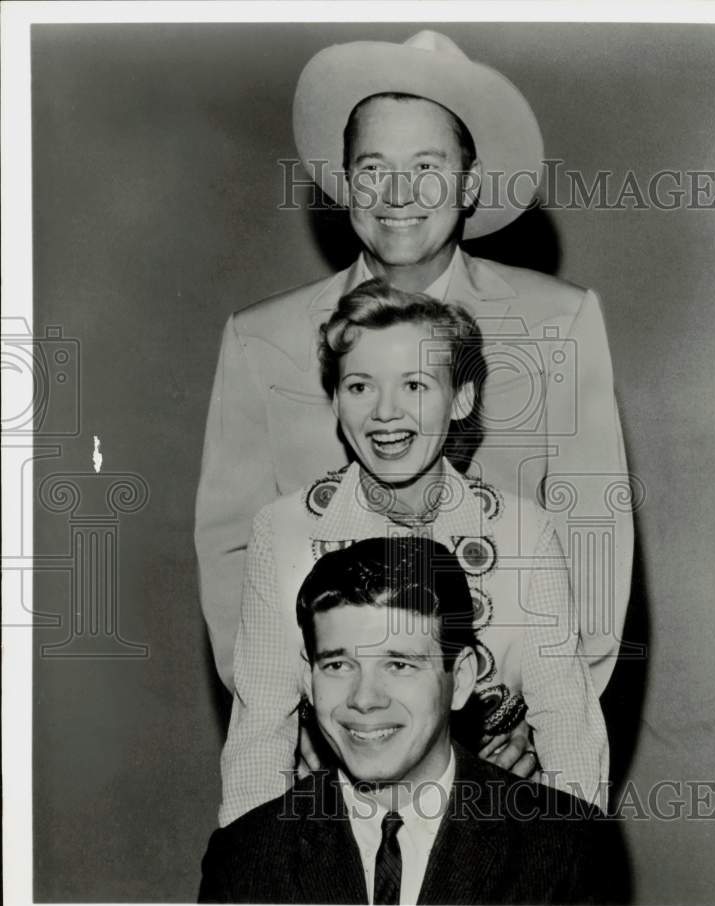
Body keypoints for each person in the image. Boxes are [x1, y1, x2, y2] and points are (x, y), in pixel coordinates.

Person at [195, 30, 633, 700]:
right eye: (372, 169)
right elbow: (233, 554)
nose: (397, 193)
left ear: (469, 183)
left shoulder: (558, 324)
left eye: (427, 166)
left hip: (502, 732)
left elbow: (593, 530)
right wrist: (293, 711)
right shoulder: (261, 340)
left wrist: (540, 711)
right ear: (344, 183)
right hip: (330, 730)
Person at [219, 279, 607, 826]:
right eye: (359, 387)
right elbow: (260, 729)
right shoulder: (283, 532)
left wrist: (569, 861)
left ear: (461, 399)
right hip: (337, 831)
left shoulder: (525, 532)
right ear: (334, 399)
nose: (384, 413)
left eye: (415, 386)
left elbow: (567, 719)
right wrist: (251, 873)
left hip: (489, 827)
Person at [200, 537, 624, 906]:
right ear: (308, 680)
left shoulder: (566, 848)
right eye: (337, 666)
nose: (364, 699)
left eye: (399, 665)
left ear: (459, 679)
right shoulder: (245, 857)